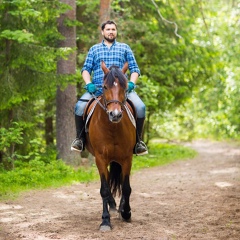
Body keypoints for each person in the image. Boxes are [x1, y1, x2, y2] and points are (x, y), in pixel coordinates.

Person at [71, 20, 148, 155]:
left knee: (141, 107)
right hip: (98, 91)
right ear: (102, 32)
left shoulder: (125, 48)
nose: (111, 32)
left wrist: (131, 83)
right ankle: (80, 140)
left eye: (113, 29)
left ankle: (138, 142)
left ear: (116, 32)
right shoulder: (94, 49)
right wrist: (88, 83)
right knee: (79, 107)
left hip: (122, 92)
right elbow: (85, 69)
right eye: (108, 29)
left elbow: (135, 69)